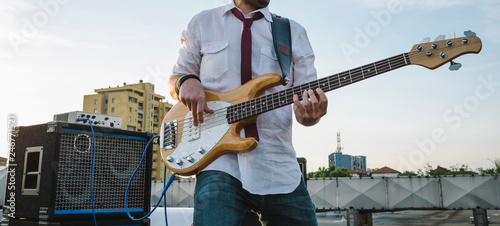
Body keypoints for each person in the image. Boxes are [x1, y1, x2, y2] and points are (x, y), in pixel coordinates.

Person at [168, 0, 328, 225]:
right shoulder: (202, 22)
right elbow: (177, 78)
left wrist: (310, 115)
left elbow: (305, 104)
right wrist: (187, 82)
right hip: (219, 163)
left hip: (277, 164)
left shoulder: (293, 32)